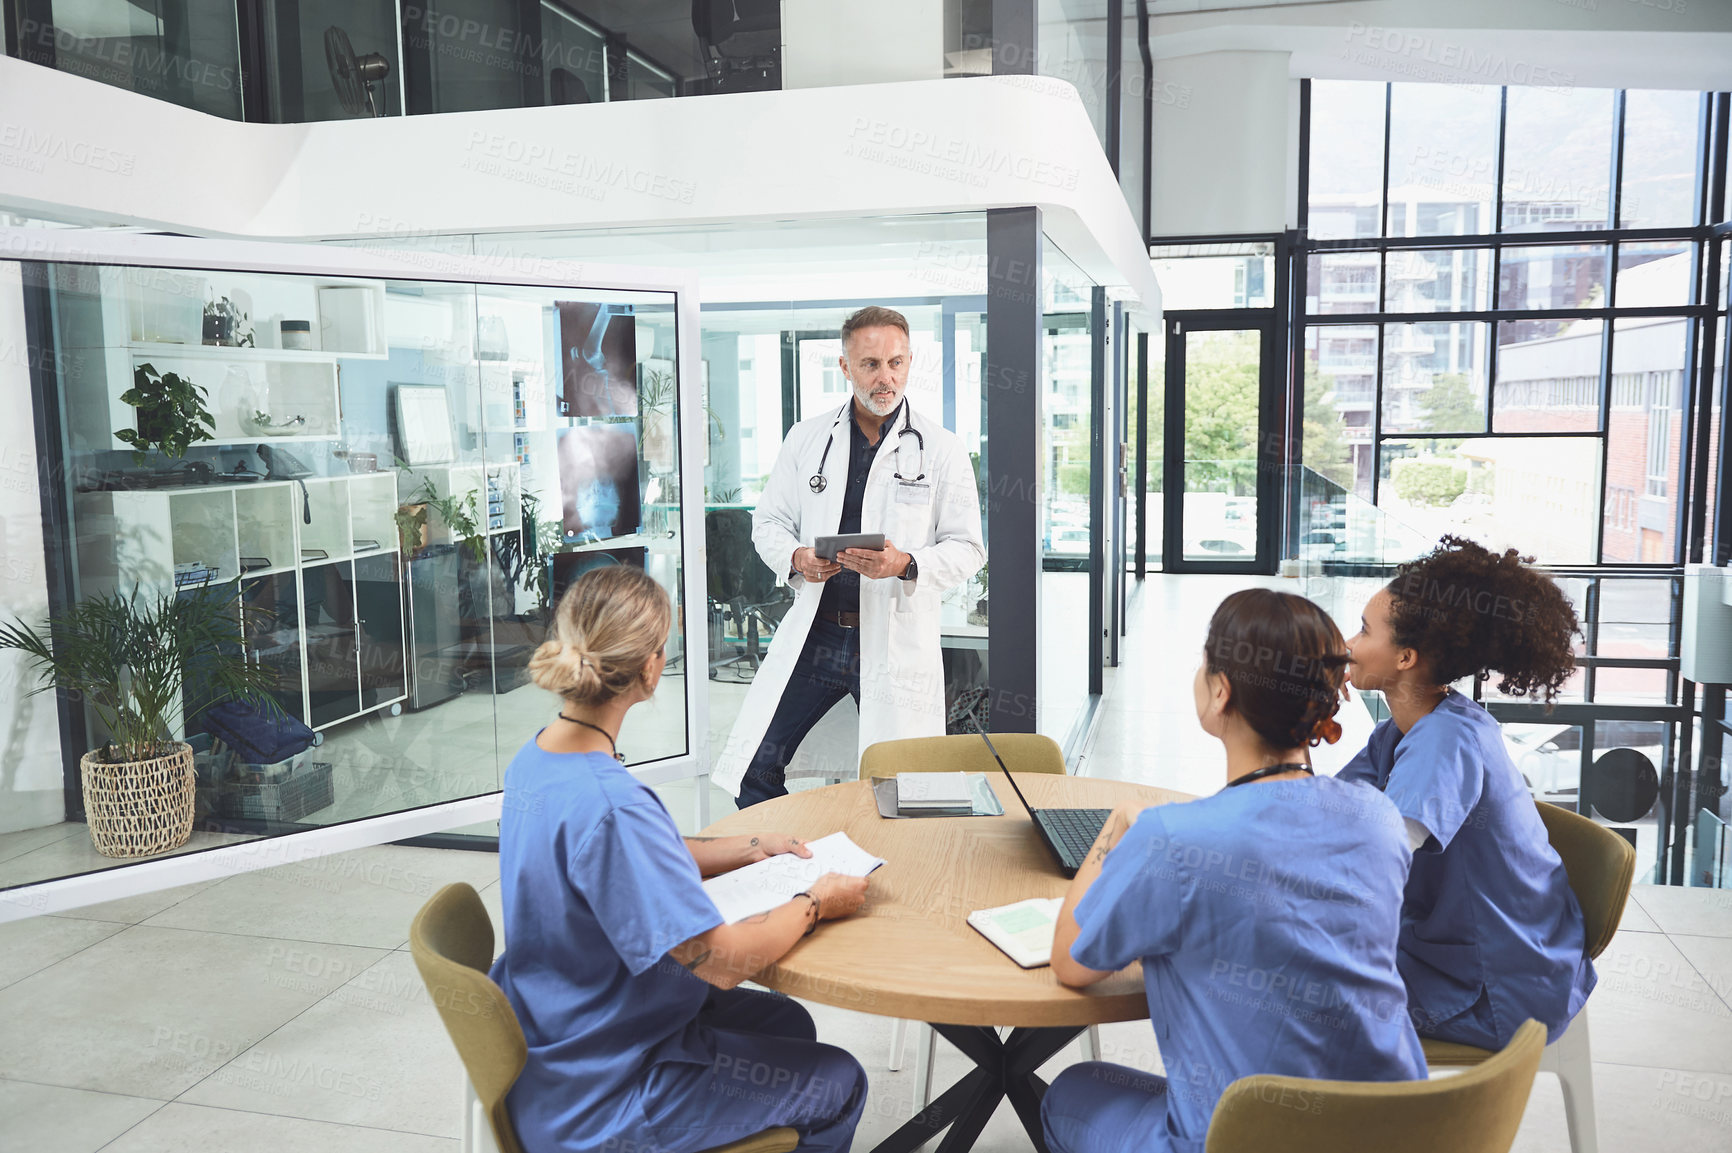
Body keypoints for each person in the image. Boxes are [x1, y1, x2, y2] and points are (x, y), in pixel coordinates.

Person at [490, 565, 872, 1153]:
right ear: (650, 668)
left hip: (559, 1026)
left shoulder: (539, 758)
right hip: (605, 1090)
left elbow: (622, 857)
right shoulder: (612, 806)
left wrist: (749, 848)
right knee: (841, 1080)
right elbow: (719, 962)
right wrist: (815, 902)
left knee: (788, 1024)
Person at [1042, 589, 1425, 1153]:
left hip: (1237, 1140)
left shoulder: (1173, 839)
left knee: (1071, 1092)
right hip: (1392, 1131)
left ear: (1221, 691)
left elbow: (1071, 964)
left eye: (1205, 663)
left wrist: (1119, 823)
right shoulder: (1379, 818)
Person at [714, 305, 984, 807]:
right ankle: (792, 864)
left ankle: (888, 873)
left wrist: (904, 564)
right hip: (818, 635)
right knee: (754, 766)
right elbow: (768, 522)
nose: (887, 378)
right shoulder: (807, 438)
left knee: (907, 788)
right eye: (871, 364)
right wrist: (796, 557)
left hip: (890, 639)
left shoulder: (941, 450)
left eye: (897, 363)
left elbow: (969, 548)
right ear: (844, 367)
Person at [1340, 535, 1594, 1049]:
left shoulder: (1445, 740)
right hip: (1464, 952)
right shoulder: (1407, 728)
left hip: (1498, 987)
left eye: (1364, 631)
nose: (1347, 644)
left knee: (1285, 983)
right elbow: (1325, 808)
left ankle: (1341, 1126)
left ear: (1406, 657)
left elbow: (1375, 855)